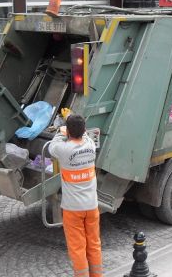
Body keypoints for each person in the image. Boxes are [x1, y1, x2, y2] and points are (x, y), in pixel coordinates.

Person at [49, 114, 102, 277]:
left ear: (68, 132)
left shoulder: (64, 150)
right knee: (94, 244)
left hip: (73, 209)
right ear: (84, 130)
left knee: (78, 248)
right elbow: (84, 134)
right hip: (92, 206)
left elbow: (53, 145)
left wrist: (61, 129)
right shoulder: (91, 145)